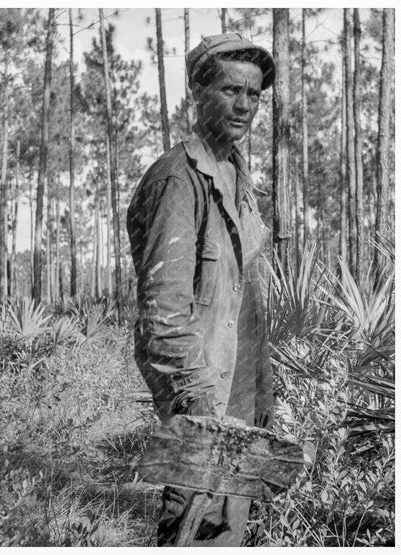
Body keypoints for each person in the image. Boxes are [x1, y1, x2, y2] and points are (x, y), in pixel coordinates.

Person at [127, 33, 276, 547]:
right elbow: (164, 313)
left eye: (254, 95)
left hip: (240, 397)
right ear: (197, 91)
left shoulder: (236, 175)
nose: (244, 106)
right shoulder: (178, 180)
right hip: (204, 407)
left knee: (230, 535)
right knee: (197, 533)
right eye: (230, 90)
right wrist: (200, 415)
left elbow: (245, 301)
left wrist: (262, 398)